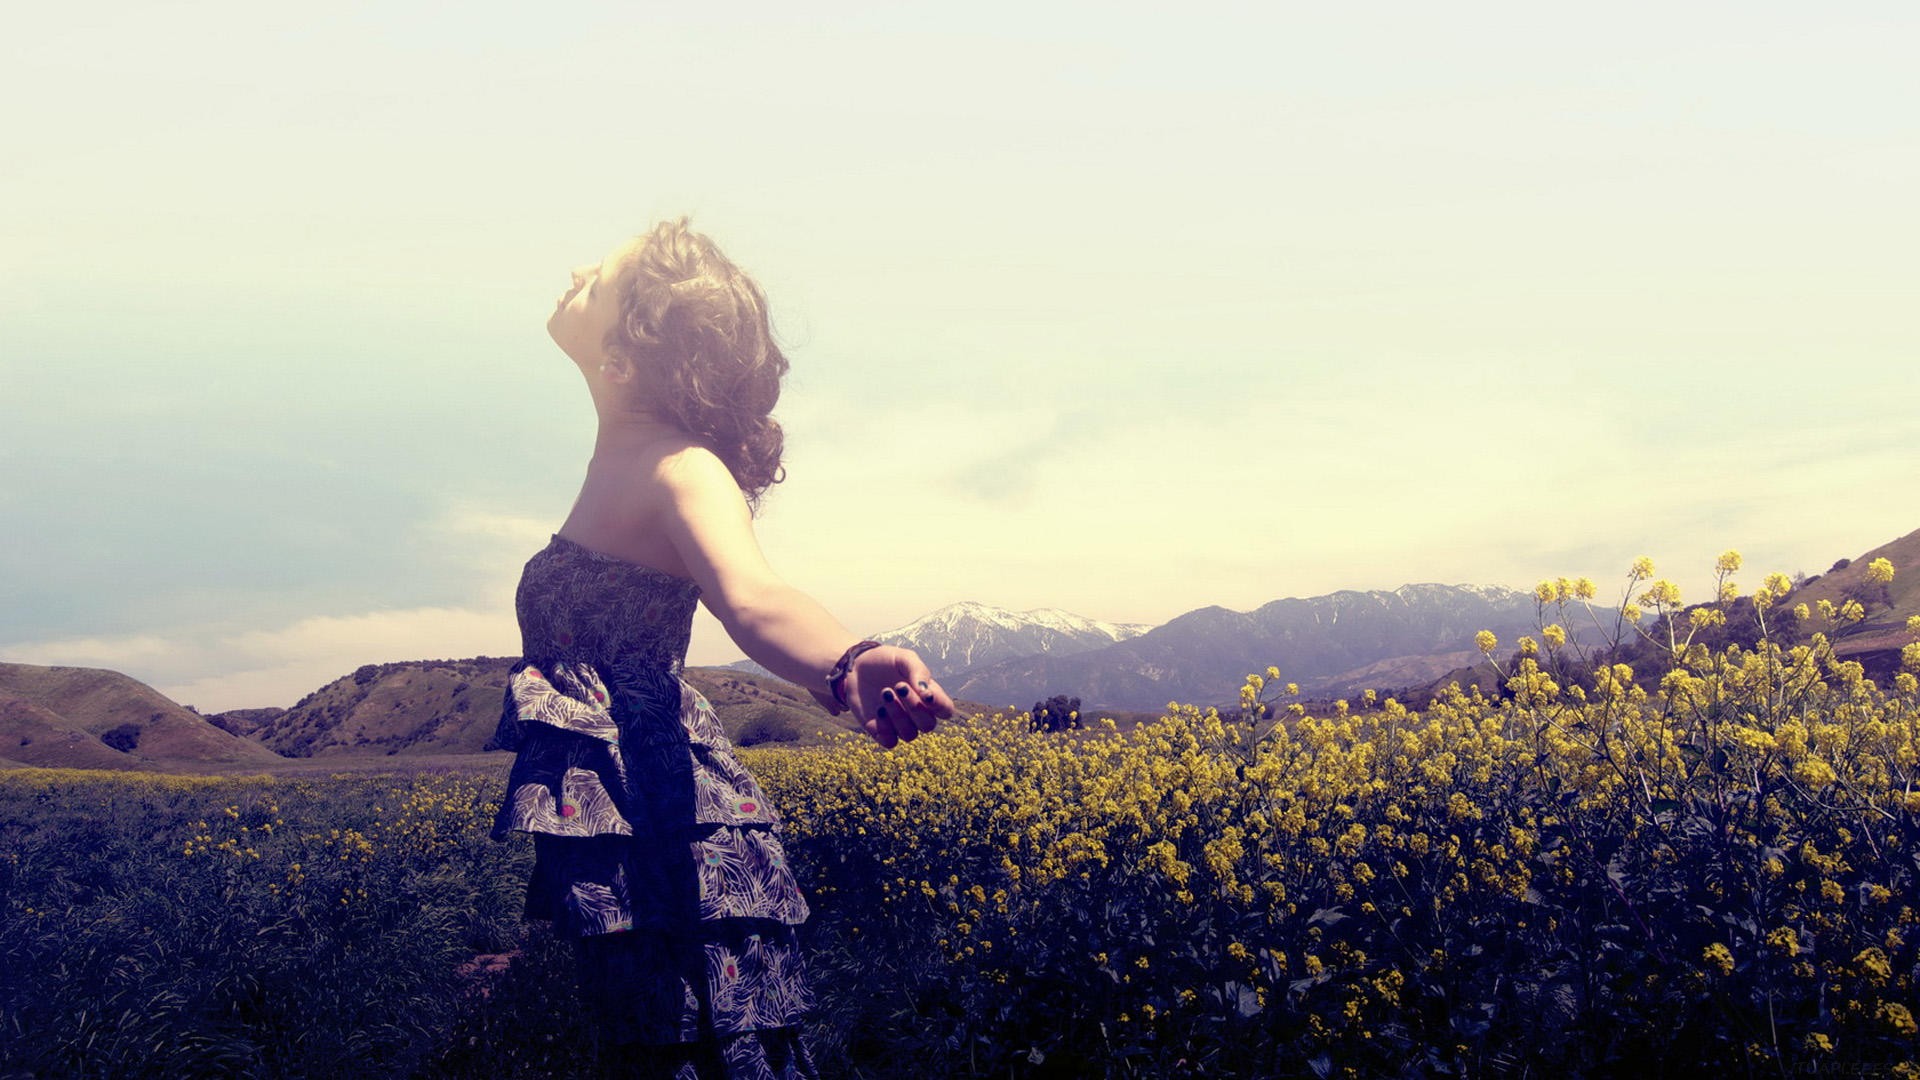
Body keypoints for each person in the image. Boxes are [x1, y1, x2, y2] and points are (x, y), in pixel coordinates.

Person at [488, 217, 955, 1078]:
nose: (577, 270)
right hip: (630, 812)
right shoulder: (629, 454)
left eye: (602, 277)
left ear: (627, 351)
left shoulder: (681, 468)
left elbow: (754, 596)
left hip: (662, 822)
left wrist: (848, 663)